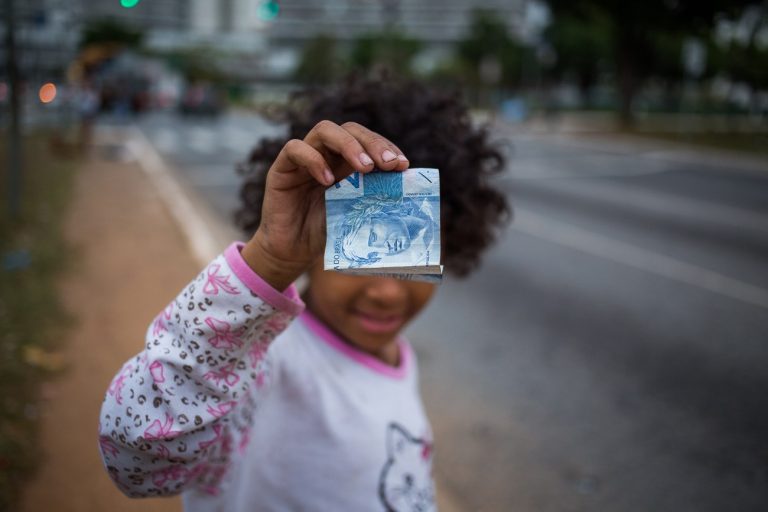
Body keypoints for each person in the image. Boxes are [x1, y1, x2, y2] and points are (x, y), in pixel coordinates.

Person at [98, 74, 509, 511]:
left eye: (410, 253)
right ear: (315, 242)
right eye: (362, 251)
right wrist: (269, 262)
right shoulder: (260, 365)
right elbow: (137, 462)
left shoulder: (393, 354)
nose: (388, 293)